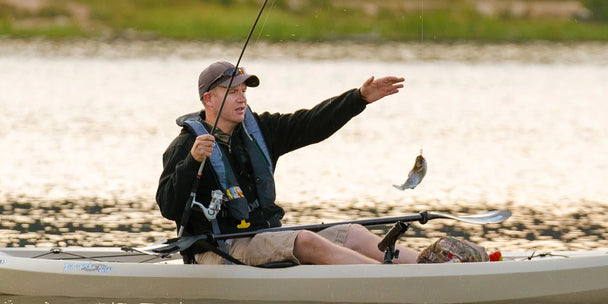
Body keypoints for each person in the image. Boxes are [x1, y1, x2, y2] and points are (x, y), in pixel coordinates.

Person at [156, 60, 487, 266]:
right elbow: (169, 206)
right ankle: (391, 280)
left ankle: (430, 267)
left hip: (263, 237)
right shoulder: (186, 145)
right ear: (208, 99)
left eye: (244, 91)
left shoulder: (261, 132)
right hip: (216, 251)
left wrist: (358, 99)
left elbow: (311, 123)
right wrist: (192, 162)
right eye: (232, 92)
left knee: (354, 234)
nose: (242, 98)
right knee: (306, 241)